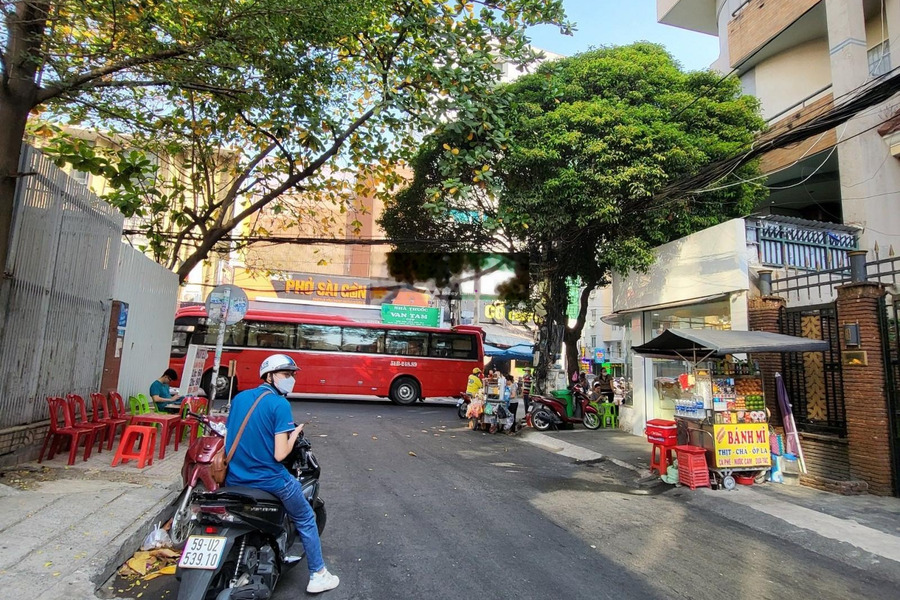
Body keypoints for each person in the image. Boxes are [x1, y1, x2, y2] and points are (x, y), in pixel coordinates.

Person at [225, 354, 339, 594]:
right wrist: (295, 434)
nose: (291, 380)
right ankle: (318, 574)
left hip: (234, 478)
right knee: (306, 518)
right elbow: (280, 455)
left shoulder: (240, 398)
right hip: (270, 479)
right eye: (286, 375)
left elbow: (233, 436)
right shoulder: (279, 405)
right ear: (268, 376)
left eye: (292, 375)